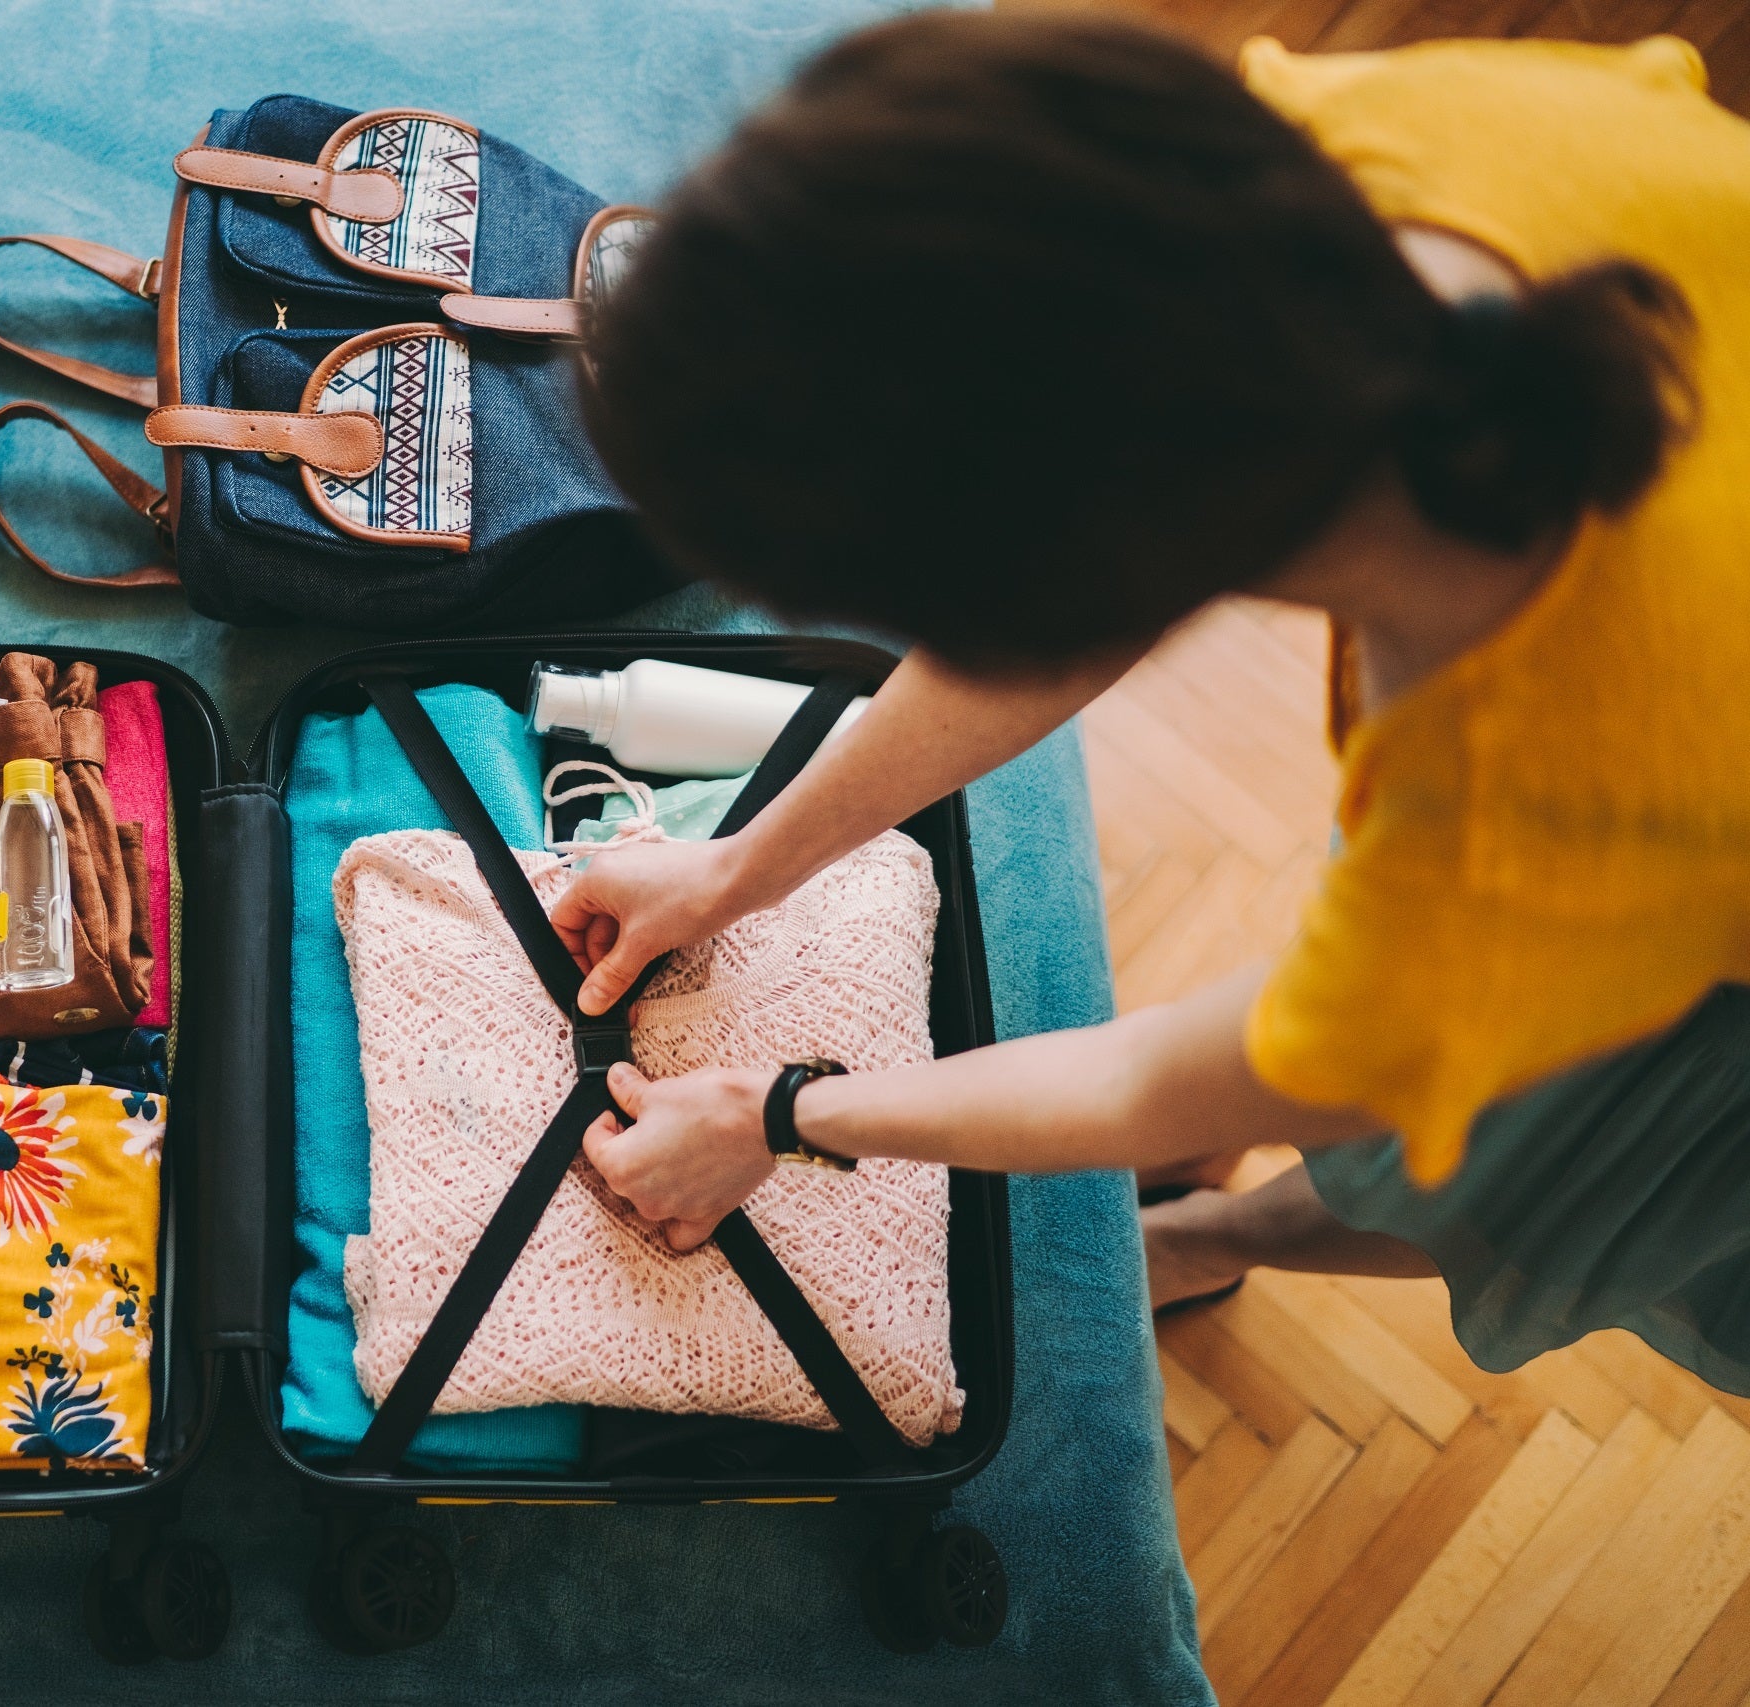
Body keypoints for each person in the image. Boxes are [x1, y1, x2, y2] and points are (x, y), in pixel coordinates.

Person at [561, 14, 1750, 1395]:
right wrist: (735, 867)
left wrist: (776, 1114)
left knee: (1531, 1178)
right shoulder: (1424, 149)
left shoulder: (1513, 853)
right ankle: (1219, 1225)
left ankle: (1209, 1237)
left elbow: (1173, 1081)